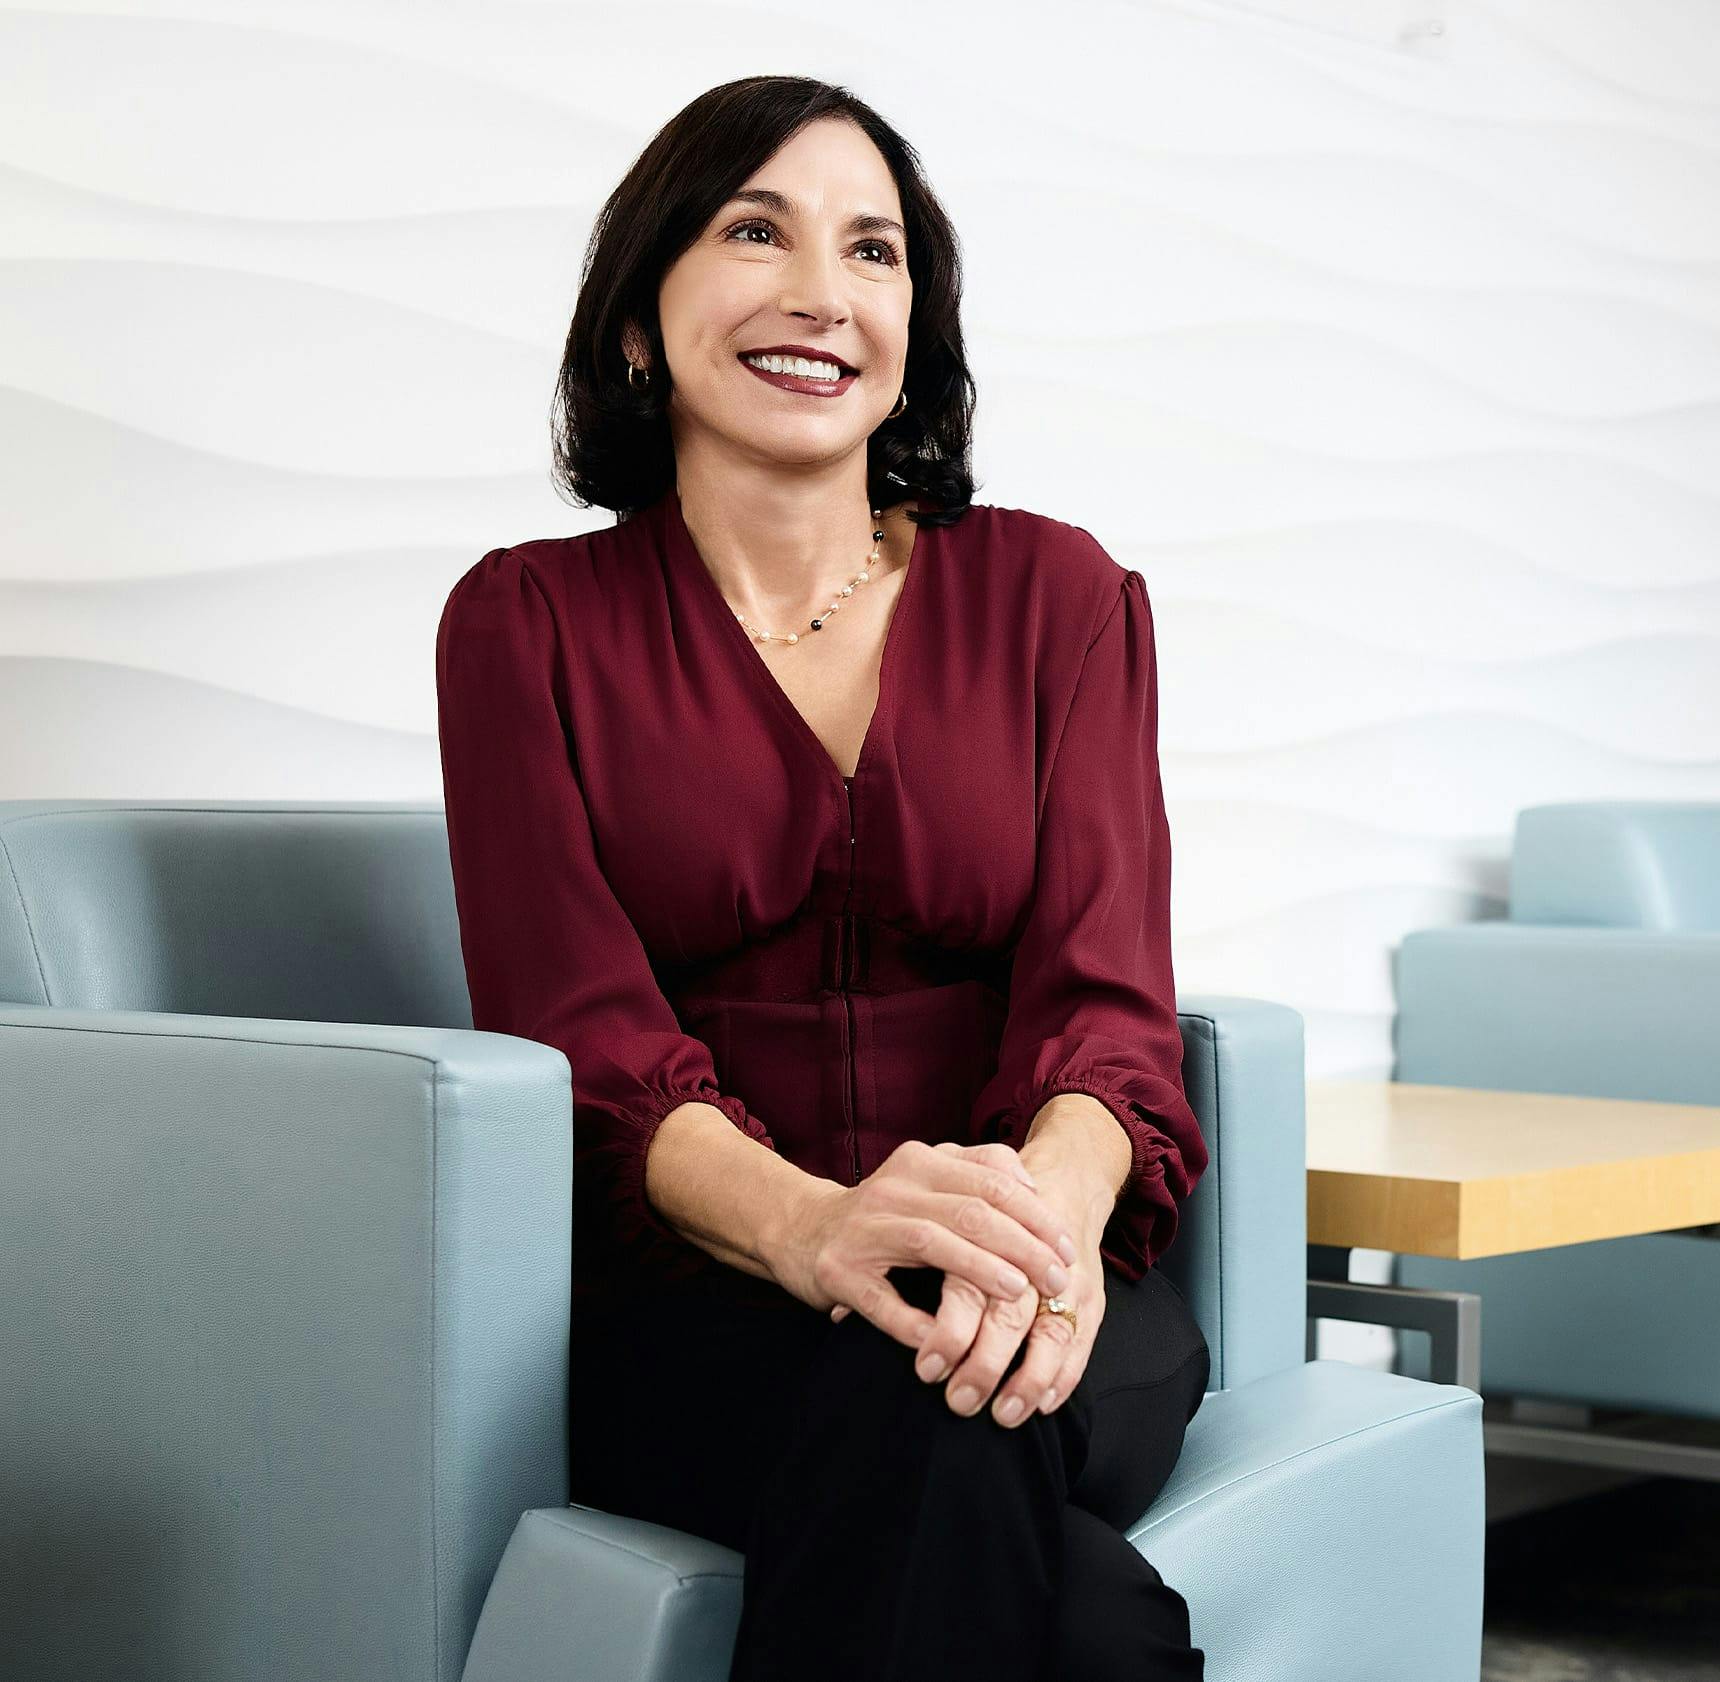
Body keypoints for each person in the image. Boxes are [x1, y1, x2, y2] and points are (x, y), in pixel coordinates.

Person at [435, 73, 1211, 1682]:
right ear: (641, 316)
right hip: (703, 1296)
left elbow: (1110, 1011)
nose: (820, 294)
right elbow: (581, 1041)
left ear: (913, 322)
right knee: (1092, 1624)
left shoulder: (1063, 598)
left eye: (873, 252)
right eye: (752, 231)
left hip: (1052, 1266)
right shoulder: (524, 626)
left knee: (926, 1376)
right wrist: (821, 1230)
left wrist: (1026, 1227)